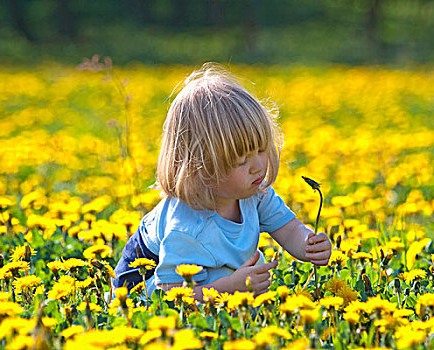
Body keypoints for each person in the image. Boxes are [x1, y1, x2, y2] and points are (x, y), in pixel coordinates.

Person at [113, 63, 332, 301]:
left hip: (200, 274)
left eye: (261, 150)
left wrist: (308, 244)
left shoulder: (255, 192)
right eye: (241, 160)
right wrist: (230, 287)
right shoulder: (186, 228)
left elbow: (289, 229)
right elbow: (171, 297)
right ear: (202, 169)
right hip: (143, 287)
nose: (258, 166)